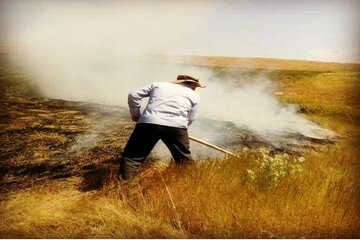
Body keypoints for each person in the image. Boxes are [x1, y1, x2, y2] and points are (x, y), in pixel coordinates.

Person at [119, 74, 205, 181]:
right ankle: (192, 183)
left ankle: (126, 187)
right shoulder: (194, 95)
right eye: (196, 86)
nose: (196, 88)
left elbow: (133, 95)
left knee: (132, 158)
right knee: (184, 159)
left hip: (148, 123)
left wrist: (135, 114)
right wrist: (181, 128)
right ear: (193, 84)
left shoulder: (158, 85)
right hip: (177, 126)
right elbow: (192, 117)